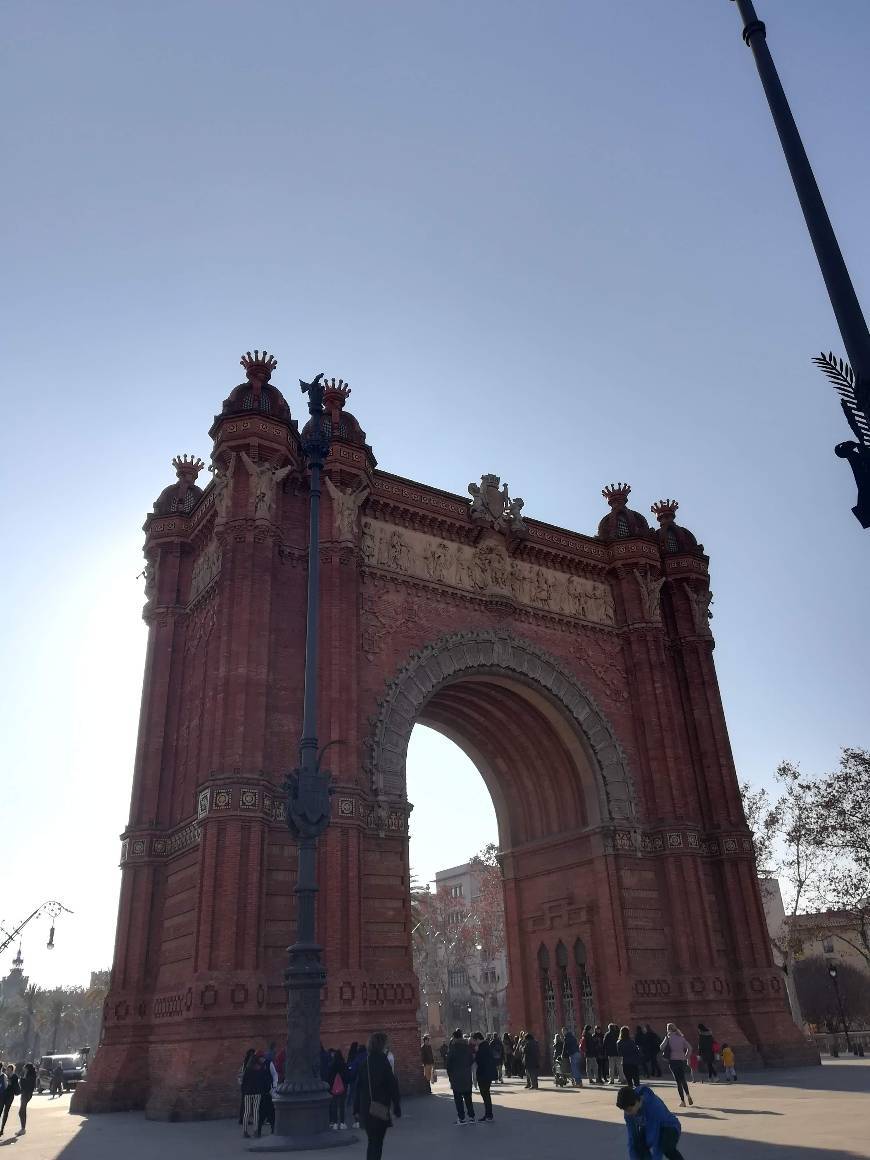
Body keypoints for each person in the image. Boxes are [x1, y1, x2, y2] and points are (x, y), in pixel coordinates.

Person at [353, 1031, 401, 1160]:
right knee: (378, 1143)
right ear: (382, 1045)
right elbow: (393, 1086)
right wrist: (396, 1106)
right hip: (380, 1108)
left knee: (371, 1142)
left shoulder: (365, 1063)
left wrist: (356, 1109)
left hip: (366, 1109)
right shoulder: (383, 1062)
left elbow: (358, 1088)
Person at [616, 1084, 686, 1159]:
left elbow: (656, 1144)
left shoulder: (654, 1106)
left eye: (629, 1110)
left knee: (666, 1147)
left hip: (670, 1126)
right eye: (625, 1111)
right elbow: (632, 1138)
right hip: (648, 1125)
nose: (628, 1113)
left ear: (637, 1102)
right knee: (639, 1144)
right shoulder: (628, 1109)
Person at [446, 1028, 475, 1123]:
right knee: (468, 1098)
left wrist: (450, 1076)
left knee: (458, 1099)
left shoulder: (452, 1049)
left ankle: (461, 1118)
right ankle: (471, 1117)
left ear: (454, 1038)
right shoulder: (467, 1048)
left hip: (456, 1077)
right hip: (466, 1076)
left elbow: (448, 1064)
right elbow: (471, 1060)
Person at [660, 1025, 693, 1108]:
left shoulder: (669, 1037)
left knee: (678, 1082)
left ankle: (683, 1101)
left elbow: (661, 1047)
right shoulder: (681, 1037)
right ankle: (688, 1095)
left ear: (669, 1030)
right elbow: (690, 1048)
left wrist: (666, 1039)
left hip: (673, 1061)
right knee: (683, 1079)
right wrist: (685, 1056)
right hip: (681, 1060)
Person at [241, 1053, 268, 1138]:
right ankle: (255, 1131)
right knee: (256, 1111)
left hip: (248, 1093)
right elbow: (262, 1081)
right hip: (257, 1092)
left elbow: (243, 1082)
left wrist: (244, 1091)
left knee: (247, 1112)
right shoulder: (259, 1070)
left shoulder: (247, 1070)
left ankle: (244, 1131)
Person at [471, 1032, 496, 1120]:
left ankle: (488, 1114)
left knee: (485, 1095)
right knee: (486, 1095)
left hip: (483, 1074)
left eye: (475, 1040)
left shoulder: (482, 1047)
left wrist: (477, 1052)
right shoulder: (487, 1045)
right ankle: (489, 1114)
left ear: (478, 1039)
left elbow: (479, 1061)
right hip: (487, 1074)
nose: (474, 1042)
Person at [328, 1047, 349, 1130]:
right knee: (342, 1105)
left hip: (333, 1087)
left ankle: (335, 1123)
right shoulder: (344, 1064)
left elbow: (329, 1076)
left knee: (334, 1105)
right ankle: (342, 1122)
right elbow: (347, 1076)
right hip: (343, 1087)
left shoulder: (331, 1065)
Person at [17, 1063, 36, 1136]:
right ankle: (22, 1128)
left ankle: (23, 1129)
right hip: (25, 1094)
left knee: (22, 1111)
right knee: (22, 1111)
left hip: (26, 1094)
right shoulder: (29, 1075)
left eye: (24, 1068)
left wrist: (22, 1079)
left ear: (27, 1068)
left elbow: (25, 1085)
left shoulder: (30, 1076)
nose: (23, 1069)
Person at [238, 1048, 255, 1124]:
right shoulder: (250, 1064)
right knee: (248, 1103)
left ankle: (242, 1119)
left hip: (244, 1085)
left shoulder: (244, 1064)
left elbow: (240, 1075)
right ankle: (245, 1119)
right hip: (248, 1085)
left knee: (244, 1103)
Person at [0, 1065, 18, 1135]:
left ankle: (2, 1129)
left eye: (10, 1070)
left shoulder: (14, 1077)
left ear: (13, 1070)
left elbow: (15, 1086)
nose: (8, 1071)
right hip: (3, 1096)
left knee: (6, 1112)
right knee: (0, 1111)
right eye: (8, 1069)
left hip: (10, 1096)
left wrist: (10, 1083)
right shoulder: (4, 1076)